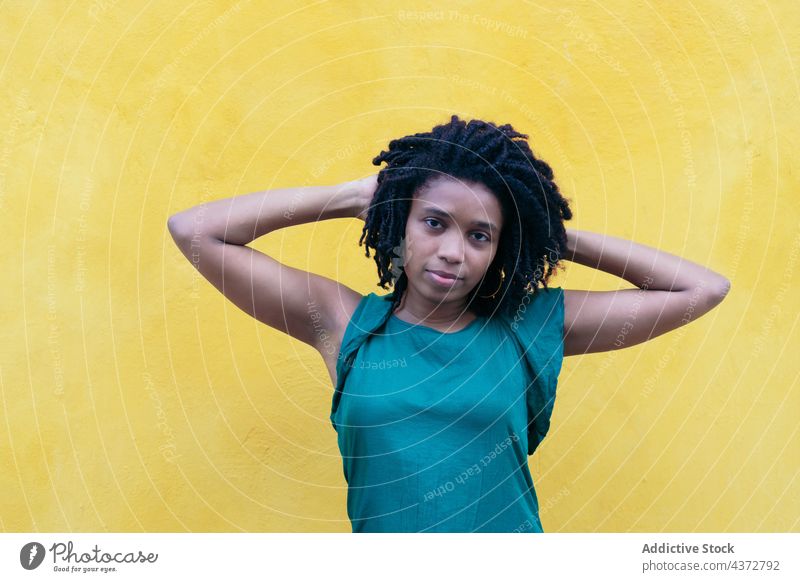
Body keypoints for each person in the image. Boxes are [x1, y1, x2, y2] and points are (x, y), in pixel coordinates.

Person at [167, 115, 730, 533]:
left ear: (498, 248)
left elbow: (701, 289)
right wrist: (348, 197)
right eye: (433, 223)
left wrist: (547, 232)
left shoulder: (530, 325)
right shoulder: (342, 323)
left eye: (479, 235)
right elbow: (194, 231)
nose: (453, 251)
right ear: (400, 222)